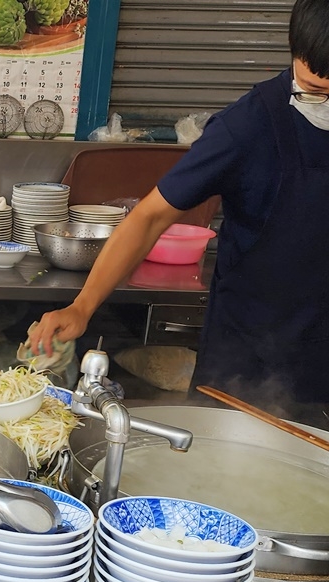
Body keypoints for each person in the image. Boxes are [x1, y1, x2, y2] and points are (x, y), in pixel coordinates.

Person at [28, 0, 329, 422]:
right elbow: (149, 217)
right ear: (294, 50)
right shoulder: (246, 127)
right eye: (317, 90)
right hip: (249, 364)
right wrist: (81, 307)